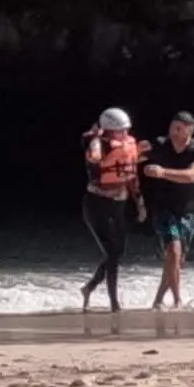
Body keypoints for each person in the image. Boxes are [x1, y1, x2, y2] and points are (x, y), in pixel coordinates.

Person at [140, 108, 194, 310]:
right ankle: (178, 300)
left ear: (190, 130)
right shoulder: (160, 144)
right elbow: (132, 155)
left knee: (177, 260)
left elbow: (192, 176)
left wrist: (162, 172)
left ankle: (158, 300)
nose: (173, 132)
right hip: (163, 208)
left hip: (189, 211)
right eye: (172, 127)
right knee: (173, 249)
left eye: (179, 128)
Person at [75, 108, 142, 312]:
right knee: (112, 253)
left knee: (118, 251)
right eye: (119, 131)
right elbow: (94, 156)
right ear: (108, 130)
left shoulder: (128, 145)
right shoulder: (98, 143)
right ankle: (114, 304)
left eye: (126, 130)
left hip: (119, 203)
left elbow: (132, 177)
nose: (124, 134)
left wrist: (140, 203)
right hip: (96, 205)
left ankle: (89, 287)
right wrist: (96, 139)